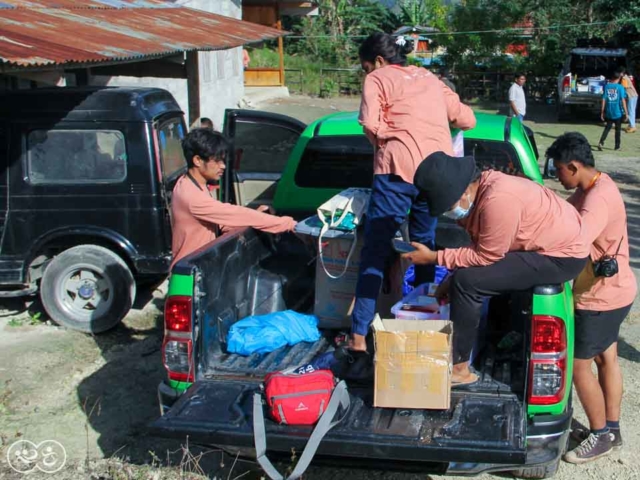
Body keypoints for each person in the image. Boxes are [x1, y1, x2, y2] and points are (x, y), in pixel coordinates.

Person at [402, 152, 589, 385]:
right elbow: (482, 244)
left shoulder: (498, 199)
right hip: (543, 244)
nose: (450, 214)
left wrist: (434, 258)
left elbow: (487, 254)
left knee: (468, 283)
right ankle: (491, 337)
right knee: (464, 277)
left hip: (562, 256)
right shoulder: (482, 192)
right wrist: (449, 278)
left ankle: (460, 368)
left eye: (448, 206)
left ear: (464, 192)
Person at [349, 32, 476, 352]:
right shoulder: (431, 78)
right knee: (425, 248)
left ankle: (359, 338)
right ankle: (423, 324)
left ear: (377, 61)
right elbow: (468, 120)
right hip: (436, 175)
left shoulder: (377, 78)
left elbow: (370, 125)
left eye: (366, 66)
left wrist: (390, 137)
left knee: (375, 254)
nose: (368, 72)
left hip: (396, 172)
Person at [547, 132, 636, 464]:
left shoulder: (597, 198)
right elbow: (564, 214)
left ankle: (600, 436)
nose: (557, 175)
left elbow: (577, 240)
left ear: (573, 166)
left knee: (577, 366)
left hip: (601, 299)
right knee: (606, 359)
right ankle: (612, 429)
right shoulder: (593, 187)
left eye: (558, 170)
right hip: (617, 291)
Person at [170, 129, 296, 268]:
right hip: (188, 274)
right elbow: (230, 213)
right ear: (198, 160)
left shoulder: (190, 182)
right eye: (217, 161)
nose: (223, 166)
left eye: (223, 160)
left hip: (198, 265)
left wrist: (256, 217)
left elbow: (221, 221)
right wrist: (288, 224)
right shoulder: (192, 197)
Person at [598, 70, 628, 151]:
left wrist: (602, 111)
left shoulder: (607, 86)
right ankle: (617, 146)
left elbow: (604, 99)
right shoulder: (620, 87)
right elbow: (623, 100)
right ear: (619, 78)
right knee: (618, 130)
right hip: (618, 112)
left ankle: (601, 142)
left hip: (609, 112)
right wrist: (626, 113)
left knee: (607, 128)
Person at [618, 66, 637, 133]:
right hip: (634, 95)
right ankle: (631, 125)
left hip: (631, 96)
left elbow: (622, 88)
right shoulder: (626, 77)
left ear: (621, 73)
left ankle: (632, 127)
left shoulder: (624, 78)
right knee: (632, 111)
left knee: (630, 111)